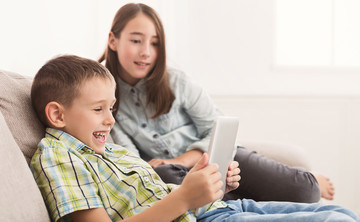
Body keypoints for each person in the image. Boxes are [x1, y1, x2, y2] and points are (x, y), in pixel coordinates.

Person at [30, 55, 360, 222]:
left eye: (111, 108)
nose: (110, 121)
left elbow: (159, 196)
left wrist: (209, 187)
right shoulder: (57, 154)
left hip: (215, 211)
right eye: (98, 109)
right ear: (57, 114)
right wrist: (185, 197)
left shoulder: (109, 151)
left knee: (344, 215)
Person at [98, 3, 335, 202]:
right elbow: (126, 156)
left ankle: (305, 177)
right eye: (136, 41)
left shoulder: (176, 81)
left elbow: (217, 128)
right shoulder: (103, 94)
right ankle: (236, 201)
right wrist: (160, 166)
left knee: (306, 192)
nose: (146, 52)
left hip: (219, 157)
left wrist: (181, 159)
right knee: (164, 177)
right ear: (113, 40)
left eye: (155, 43)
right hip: (176, 176)